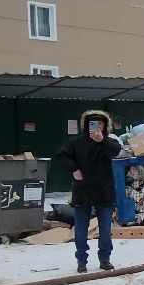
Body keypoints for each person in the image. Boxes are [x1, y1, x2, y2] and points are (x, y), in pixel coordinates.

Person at [54, 110, 124, 273]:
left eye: (100, 124)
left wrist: (102, 141)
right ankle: (81, 261)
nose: (97, 126)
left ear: (105, 126)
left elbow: (115, 151)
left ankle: (105, 259)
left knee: (105, 229)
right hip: (83, 190)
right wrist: (74, 169)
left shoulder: (110, 142)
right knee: (80, 229)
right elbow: (60, 156)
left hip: (104, 191)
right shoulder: (76, 142)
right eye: (93, 123)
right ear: (87, 125)